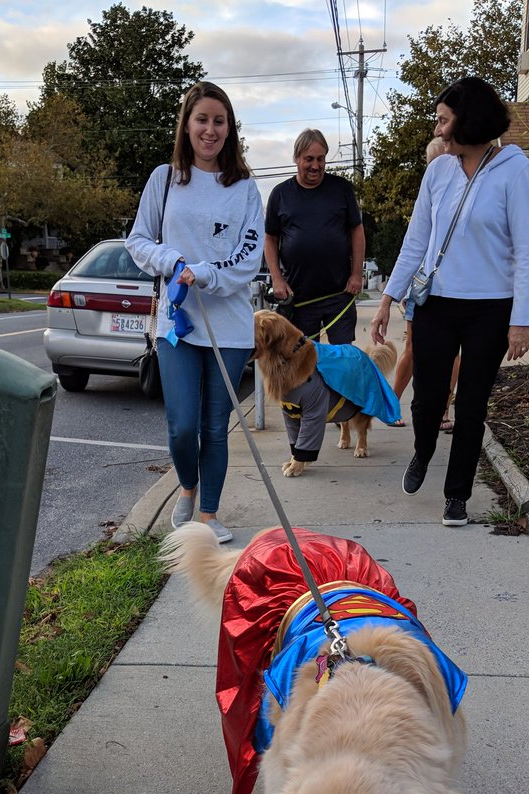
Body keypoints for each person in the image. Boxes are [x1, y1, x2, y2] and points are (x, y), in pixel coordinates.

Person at [371, 77, 529, 527]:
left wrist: (521, 320)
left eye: (444, 120)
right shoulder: (438, 171)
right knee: (426, 400)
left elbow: (526, 248)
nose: (439, 130)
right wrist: (388, 296)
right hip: (436, 304)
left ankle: (457, 494)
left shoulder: (513, 168)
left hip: (490, 307)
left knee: (472, 404)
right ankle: (423, 451)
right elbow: (416, 240)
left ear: (469, 119)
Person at [126, 81, 263, 544]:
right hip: (178, 324)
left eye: (219, 121)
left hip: (229, 326)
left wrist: (204, 271)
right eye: (202, 119)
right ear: (186, 125)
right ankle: (187, 487)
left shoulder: (244, 188)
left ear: (230, 129)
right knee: (182, 425)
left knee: (214, 427)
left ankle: (208, 514)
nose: (210, 129)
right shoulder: (164, 178)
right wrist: (174, 263)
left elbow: (248, 259)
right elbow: (138, 240)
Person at [264, 129, 364, 344]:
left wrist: (357, 274)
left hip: (340, 295)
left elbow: (357, 231)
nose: (316, 166)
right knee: (303, 365)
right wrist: (277, 279)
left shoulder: (342, 189)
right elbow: (270, 238)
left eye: (321, 159)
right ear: (297, 158)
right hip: (300, 298)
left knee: (342, 361)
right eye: (309, 159)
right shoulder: (280, 194)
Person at [392, 137, 461, 429]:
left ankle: (444, 408)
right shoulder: (429, 196)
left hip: (454, 288)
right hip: (421, 287)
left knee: (453, 354)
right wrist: (397, 293)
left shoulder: (464, 193)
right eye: (434, 162)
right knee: (413, 348)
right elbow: (414, 248)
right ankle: (391, 403)